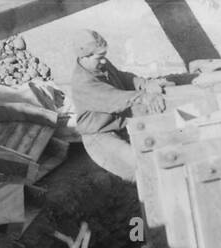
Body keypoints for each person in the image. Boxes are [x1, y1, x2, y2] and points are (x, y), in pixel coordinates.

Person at [67, 29, 167, 182]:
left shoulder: (101, 64)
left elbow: (123, 78)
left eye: (104, 56)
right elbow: (115, 99)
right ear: (84, 56)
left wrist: (145, 84)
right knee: (144, 169)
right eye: (99, 57)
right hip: (100, 137)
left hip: (119, 125)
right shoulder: (83, 82)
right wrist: (145, 97)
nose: (103, 61)